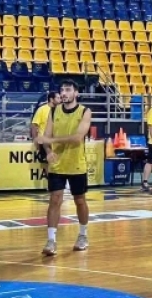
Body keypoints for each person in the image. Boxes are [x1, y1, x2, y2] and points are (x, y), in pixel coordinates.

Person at [35, 79, 92, 255]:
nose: (64, 93)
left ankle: (83, 235)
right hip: (57, 164)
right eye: (62, 90)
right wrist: (48, 151)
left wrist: (51, 140)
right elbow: (45, 137)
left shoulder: (85, 111)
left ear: (76, 93)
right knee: (54, 200)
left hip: (76, 164)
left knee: (80, 200)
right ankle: (51, 241)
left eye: (68, 90)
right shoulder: (54, 111)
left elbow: (77, 138)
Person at [31, 91, 61, 164]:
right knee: (49, 164)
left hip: (56, 142)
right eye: (58, 98)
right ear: (51, 99)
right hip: (44, 142)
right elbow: (34, 125)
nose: (60, 100)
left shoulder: (60, 110)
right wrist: (35, 140)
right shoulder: (42, 109)